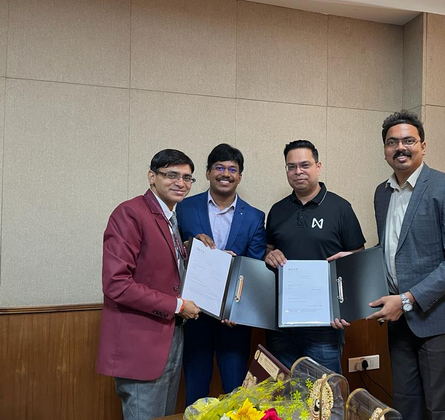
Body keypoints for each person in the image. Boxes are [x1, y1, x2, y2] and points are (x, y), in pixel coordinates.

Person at [366, 111, 445, 419]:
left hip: (441, 319)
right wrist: (353, 262)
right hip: (400, 323)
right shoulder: (382, 193)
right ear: (385, 150)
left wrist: (406, 300)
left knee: (443, 411)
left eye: (408, 140)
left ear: (423, 146)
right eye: (392, 142)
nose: (400, 147)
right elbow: (391, 249)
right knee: (406, 406)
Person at [97, 149, 201, 420]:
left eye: (188, 178)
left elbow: (160, 266)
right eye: (172, 175)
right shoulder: (130, 213)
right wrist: (177, 305)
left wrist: (198, 253)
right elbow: (116, 284)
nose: (181, 183)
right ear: (152, 177)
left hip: (170, 337)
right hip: (141, 343)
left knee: (164, 416)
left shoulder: (169, 217)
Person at [264, 139, 366, 373]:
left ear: (318, 166)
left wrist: (346, 309)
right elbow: (269, 251)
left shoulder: (341, 208)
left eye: (305, 165)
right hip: (281, 321)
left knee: (325, 396)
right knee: (283, 394)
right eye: (291, 166)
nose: (298, 171)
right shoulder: (277, 210)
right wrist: (270, 255)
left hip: (325, 323)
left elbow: (358, 260)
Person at [176, 143, 267, 405]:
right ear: (207, 173)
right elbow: (171, 254)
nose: (225, 174)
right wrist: (189, 246)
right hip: (194, 315)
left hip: (234, 321)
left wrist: (235, 264)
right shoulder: (184, 207)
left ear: (240, 176)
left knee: (236, 392)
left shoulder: (254, 216)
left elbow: (255, 265)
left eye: (232, 169)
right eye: (219, 167)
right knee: (195, 391)